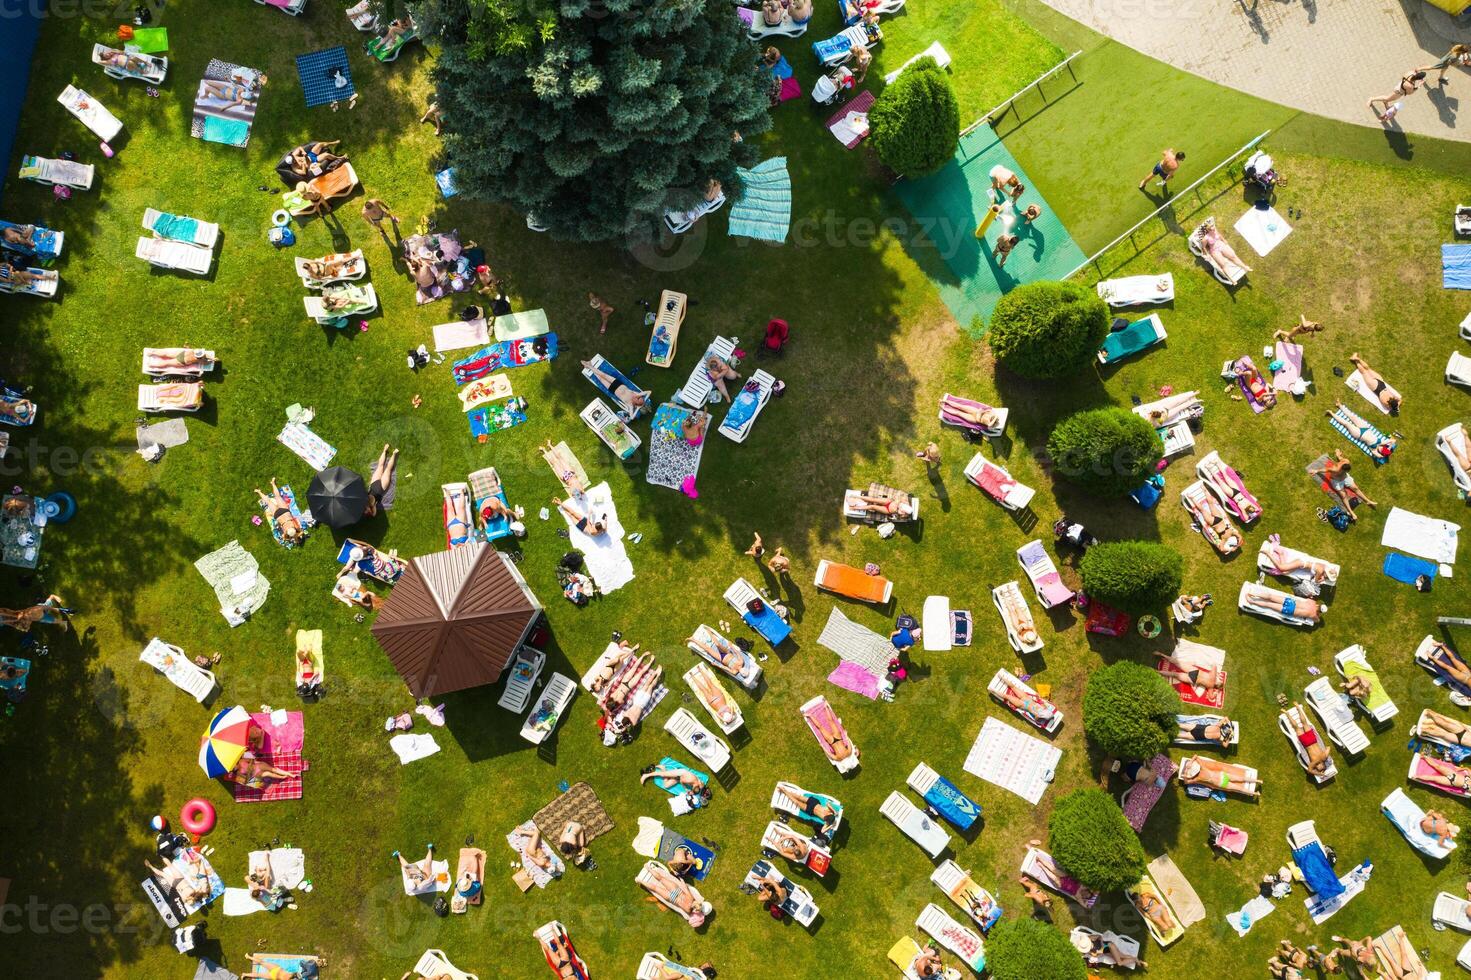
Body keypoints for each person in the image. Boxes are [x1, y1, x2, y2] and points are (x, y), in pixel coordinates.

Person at [640, 861, 711, 925]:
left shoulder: (691, 898)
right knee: (655, 888)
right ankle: (639, 880)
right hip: (672, 898)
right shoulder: (687, 911)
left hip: (677, 890)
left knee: (660, 878)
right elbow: (686, 914)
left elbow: (685, 889)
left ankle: (648, 868)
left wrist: (681, 880)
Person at [1316, 447, 1377, 517]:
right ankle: (1351, 512)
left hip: (1345, 478)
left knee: (1355, 488)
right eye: (1344, 471)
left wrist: (1338, 454)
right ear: (1341, 469)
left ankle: (1368, 501)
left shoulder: (1346, 461)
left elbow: (1341, 459)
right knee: (1343, 496)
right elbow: (1325, 469)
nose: (1345, 472)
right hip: (1336, 481)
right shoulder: (1335, 469)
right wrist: (1316, 471)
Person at [1326, 400, 1397, 457]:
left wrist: (1385, 454)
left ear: (1381, 453)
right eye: (1383, 449)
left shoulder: (1374, 450)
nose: (1382, 449)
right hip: (1365, 428)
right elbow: (1393, 441)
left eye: (1382, 451)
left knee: (1346, 423)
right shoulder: (1382, 442)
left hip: (1358, 434)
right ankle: (1339, 405)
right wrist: (1389, 448)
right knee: (1352, 416)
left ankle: (1331, 413)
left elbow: (1378, 456)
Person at [145, 851, 212, 906]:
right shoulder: (184, 898)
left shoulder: (193, 892)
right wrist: (189, 900)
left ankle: (160, 854)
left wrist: (201, 895)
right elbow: (187, 901)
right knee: (162, 874)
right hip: (175, 885)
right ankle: (150, 866)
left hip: (180, 880)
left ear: (193, 898)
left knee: (170, 865)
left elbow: (200, 891)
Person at [1282, 703, 1332, 776]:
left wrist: (1325, 754)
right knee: (1302, 725)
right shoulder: (1319, 760)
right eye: (1321, 768)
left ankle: (1289, 713)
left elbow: (1309, 771)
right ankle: (1296, 710)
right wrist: (1324, 756)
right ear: (1323, 765)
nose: (1319, 768)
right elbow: (1328, 747)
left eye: (1318, 769)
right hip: (1310, 741)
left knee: (1299, 727)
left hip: (1308, 742)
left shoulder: (1318, 760)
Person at [1179, 756, 1262, 797]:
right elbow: (1196, 756)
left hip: (1221, 783)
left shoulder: (1198, 778)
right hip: (1223, 775)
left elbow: (1186, 782)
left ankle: (1256, 793)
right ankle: (1258, 781)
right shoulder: (1203, 767)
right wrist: (1191, 762)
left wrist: (1186, 773)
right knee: (1241, 778)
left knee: (1240, 789)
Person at [1243, 583, 1322, 623]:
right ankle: (1251, 601)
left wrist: (1316, 605)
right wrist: (1318, 614)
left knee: (1270, 597)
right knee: (1268, 604)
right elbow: (1317, 621)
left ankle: (1253, 593)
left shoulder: (1313, 602)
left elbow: (1308, 599)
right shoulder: (1314, 615)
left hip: (1291, 602)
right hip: (1290, 610)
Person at [254, 479, 303, 544]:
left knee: (278, 497)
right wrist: (294, 537)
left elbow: (301, 532)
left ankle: (272, 483)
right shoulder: (286, 533)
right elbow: (284, 538)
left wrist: (297, 535)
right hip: (277, 515)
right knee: (269, 502)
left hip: (285, 511)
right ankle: (259, 491)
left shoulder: (296, 527)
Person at [1260, 542, 1332, 585]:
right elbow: (1315, 581)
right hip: (1301, 563)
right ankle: (1268, 553)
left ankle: (1281, 554)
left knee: (1284, 572)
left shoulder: (1325, 567)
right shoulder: (1321, 571)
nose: (1326, 577)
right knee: (1281, 568)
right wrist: (1323, 579)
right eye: (1327, 577)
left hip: (1301, 565)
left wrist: (1324, 575)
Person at [0, 594, 69, 633]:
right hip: (39, 617)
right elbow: (7, 623)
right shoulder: (24, 620)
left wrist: (55, 609)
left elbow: (6, 617)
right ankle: (63, 622)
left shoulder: (28, 613)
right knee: (50, 620)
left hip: (39, 611)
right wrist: (23, 626)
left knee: (47, 605)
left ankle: (52, 597)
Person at [363, 443, 399, 517]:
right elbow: (373, 515)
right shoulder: (373, 507)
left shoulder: (362, 503)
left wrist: (366, 507)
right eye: (367, 512)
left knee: (380, 466)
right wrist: (370, 510)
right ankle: (394, 454)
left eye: (365, 511)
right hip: (380, 489)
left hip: (373, 485)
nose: (366, 511)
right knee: (388, 470)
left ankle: (385, 450)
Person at [229, 754, 299, 789]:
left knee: (273, 769)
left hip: (258, 766)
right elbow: (247, 779)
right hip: (256, 773)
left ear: (235, 763)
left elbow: (251, 760)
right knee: (269, 774)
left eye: (234, 767)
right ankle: (282, 777)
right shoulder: (238, 773)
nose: (234, 768)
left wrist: (250, 766)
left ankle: (289, 774)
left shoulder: (242, 761)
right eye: (233, 769)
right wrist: (250, 775)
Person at [1100, 756, 1169, 790]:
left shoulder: (1154, 773)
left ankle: (1127, 763)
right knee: (1128, 779)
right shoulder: (1150, 783)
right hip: (1132, 774)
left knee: (1133, 764)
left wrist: (1147, 760)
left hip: (1136, 766)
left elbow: (1149, 765)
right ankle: (1121, 773)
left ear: (1160, 778)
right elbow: (1140, 781)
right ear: (1156, 784)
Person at [850, 492, 915, 519]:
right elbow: (900, 498)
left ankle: (855, 508)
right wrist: (899, 503)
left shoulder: (906, 514)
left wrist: (901, 512)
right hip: (890, 501)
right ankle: (857, 496)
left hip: (888, 510)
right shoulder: (907, 503)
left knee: (873, 507)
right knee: (873, 500)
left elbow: (900, 516)